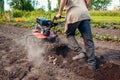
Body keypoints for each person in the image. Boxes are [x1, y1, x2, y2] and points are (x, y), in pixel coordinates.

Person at [55, 0, 99, 70]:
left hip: (74, 13)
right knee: (88, 40)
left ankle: (79, 52)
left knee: (69, 34)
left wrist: (59, 13)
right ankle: (92, 65)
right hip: (85, 13)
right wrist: (84, 8)